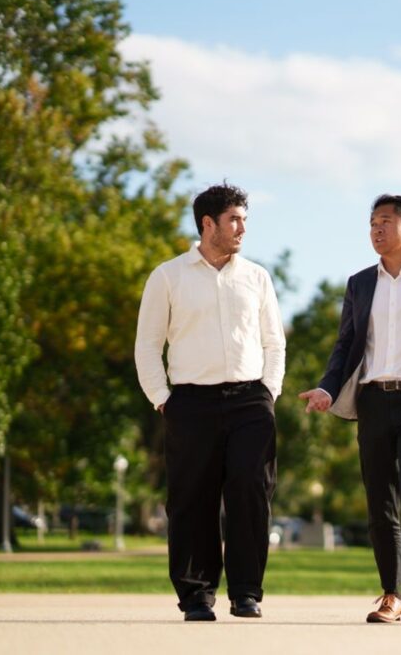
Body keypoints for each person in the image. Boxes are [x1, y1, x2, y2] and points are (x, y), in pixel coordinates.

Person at [299, 194, 401, 624]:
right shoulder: (359, 283)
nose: (376, 230)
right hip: (373, 400)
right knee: (380, 503)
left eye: (386, 222)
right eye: (372, 223)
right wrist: (326, 388)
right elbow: (345, 346)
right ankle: (389, 595)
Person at [134, 183, 285, 622]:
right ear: (207, 223)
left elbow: (274, 342)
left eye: (244, 220)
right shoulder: (168, 276)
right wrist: (164, 400)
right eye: (233, 219)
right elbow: (147, 346)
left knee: (251, 494)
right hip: (190, 403)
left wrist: (267, 392)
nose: (241, 228)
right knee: (191, 500)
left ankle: (246, 593)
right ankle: (197, 595)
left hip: (250, 401)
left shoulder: (257, 277)